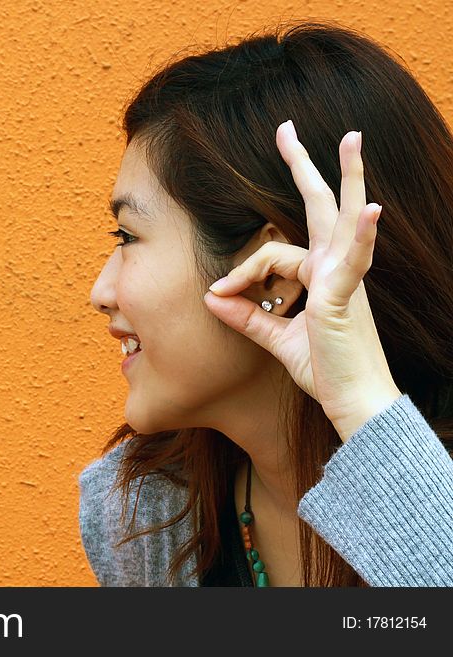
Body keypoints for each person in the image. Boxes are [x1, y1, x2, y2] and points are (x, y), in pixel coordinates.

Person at [79, 19, 453, 587]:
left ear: (268, 276)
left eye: (128, 238)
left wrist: (361, 404)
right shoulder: (145, 512)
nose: (99, 294)